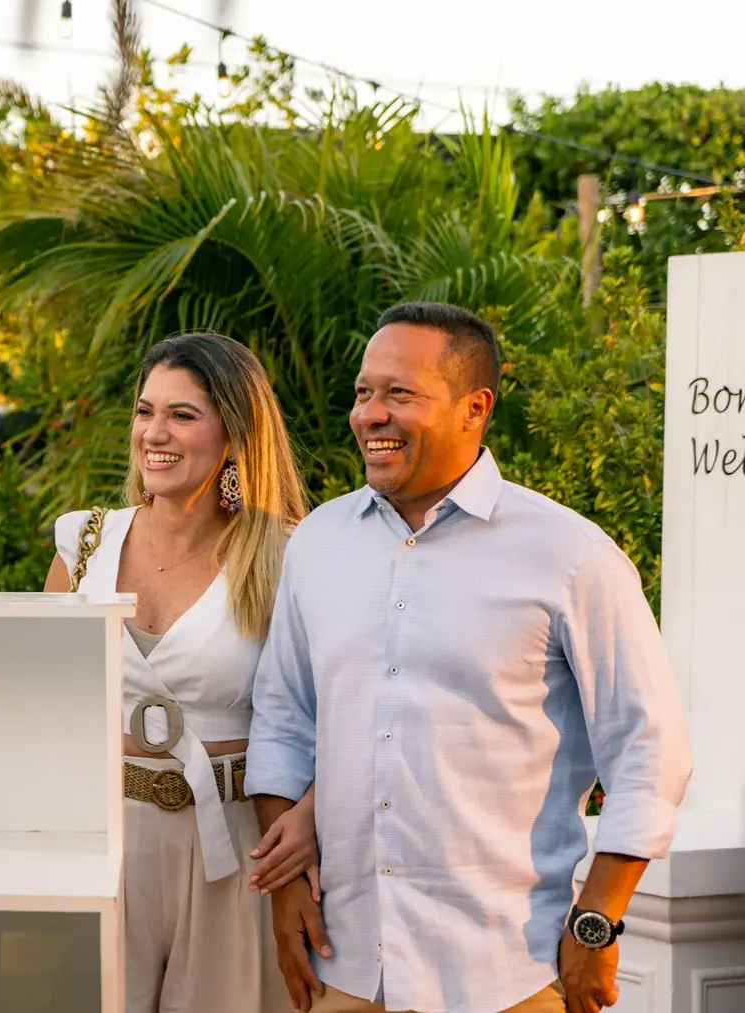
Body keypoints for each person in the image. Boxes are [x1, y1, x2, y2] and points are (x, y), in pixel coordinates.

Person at [244, 302, 692, 1013]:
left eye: (399, 393)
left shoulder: (571, 555)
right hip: (347, 965)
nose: (371, 415)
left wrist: (598, 919)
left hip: (507, 972)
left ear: (474, 407)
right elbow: (282, 721)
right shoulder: (318, 544)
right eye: (363, 392)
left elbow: (649, 748)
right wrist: (287, 887)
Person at [44, 332, 317, 1013]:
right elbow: (44, 705)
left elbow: (334, 714)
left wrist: (307, 828)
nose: (154, 433)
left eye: (182, 415)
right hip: (106, 835)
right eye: (145, 411)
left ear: (234, 434)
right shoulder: (83, 543)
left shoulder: (285, 554)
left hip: (236, 842)